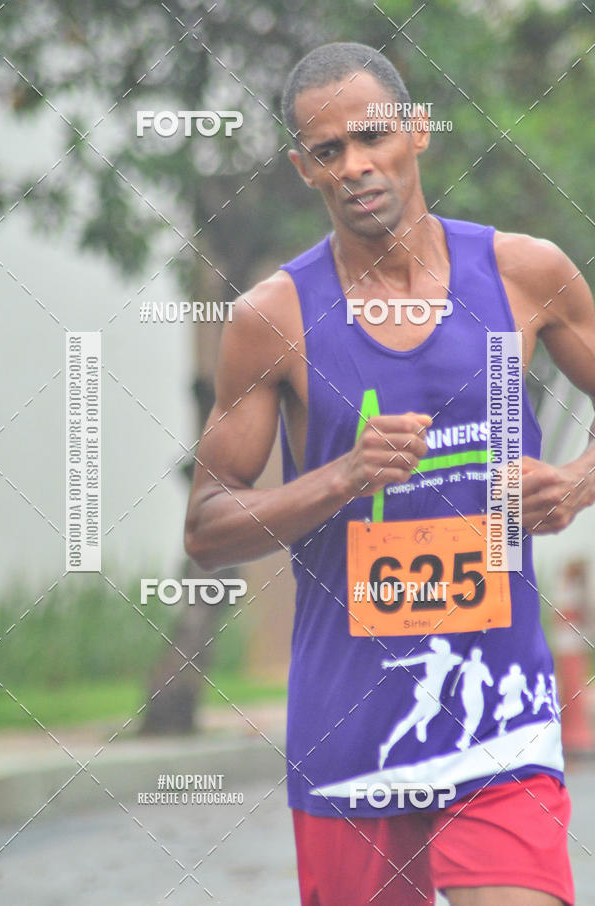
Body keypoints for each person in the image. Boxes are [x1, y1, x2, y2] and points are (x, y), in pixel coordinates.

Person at [184, 41, 595, 906]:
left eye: (372, 137)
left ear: (417, 133)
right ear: (304, 169)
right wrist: (338, 479)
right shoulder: (274, 317)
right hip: (351, 731)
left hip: (498, 715)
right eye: (328, 152)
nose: (355, 166)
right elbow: (208, 525)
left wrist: (580, 480)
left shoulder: (526, 274)